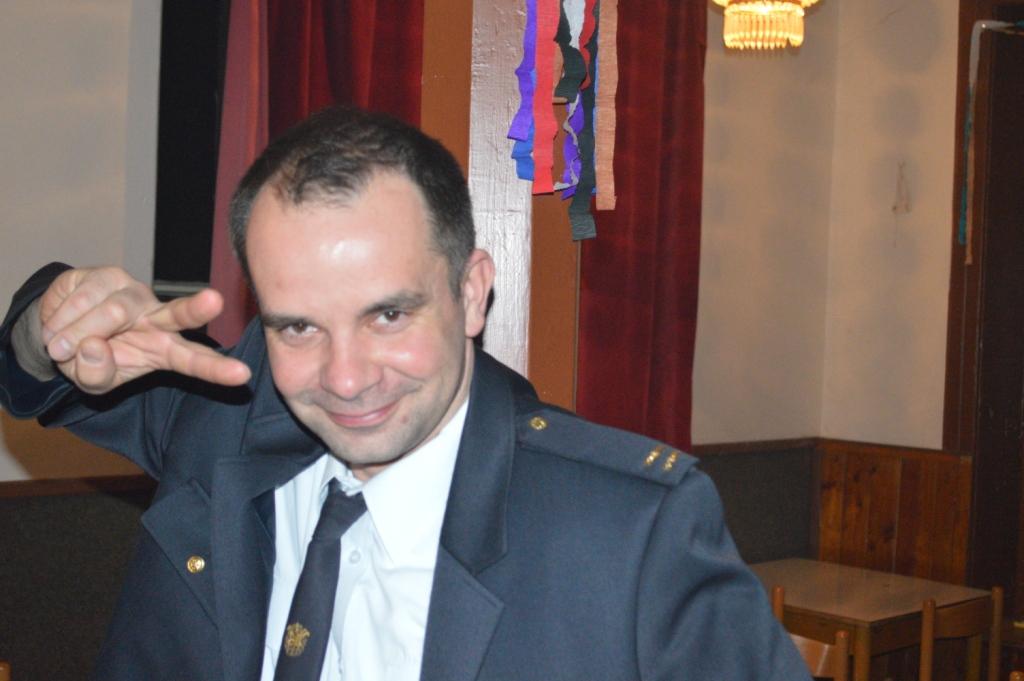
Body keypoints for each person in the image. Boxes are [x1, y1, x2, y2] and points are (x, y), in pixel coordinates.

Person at [0, 106, 809, 681]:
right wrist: (52, 326)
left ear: (472, 292)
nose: (346, 378)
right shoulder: (224, 424)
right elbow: (33, 375)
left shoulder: (631, 533)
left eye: (387, 314)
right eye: (298, 327)